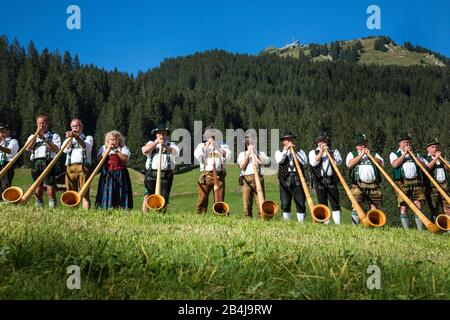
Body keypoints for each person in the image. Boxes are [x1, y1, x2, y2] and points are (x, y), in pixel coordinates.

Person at [389, 132, 425, 230]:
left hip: (416, 181)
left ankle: (420, 230)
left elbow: (423, 166)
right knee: (404, 205)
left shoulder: (415, 153)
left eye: (408, 142)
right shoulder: (394, 154)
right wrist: (405, 153)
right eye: (405, 142)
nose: (407, 144)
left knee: (418, 204)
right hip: (401, 182)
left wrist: (413, 155)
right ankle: (406, 230)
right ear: (400, 144)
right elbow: (395, 164)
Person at [346, 134, 384, 225]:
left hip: (373, 183)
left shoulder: (374, 154)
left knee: (374, 204)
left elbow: (381, 164)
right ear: (357, 146)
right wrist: (361, 155)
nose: (364, 146)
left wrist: (370, 155)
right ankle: (355, 227)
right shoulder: (352, 154)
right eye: (361, 144)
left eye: (365, 144)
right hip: (358, 184)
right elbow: (350, 164)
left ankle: (374, 226)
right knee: (356, 205)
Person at [194, 125, 231, 214]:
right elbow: (198, 156)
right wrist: (207, 145)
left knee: (220, 199)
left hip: (219, 176)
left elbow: (227, 156)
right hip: (205, 176)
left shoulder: (223, 145)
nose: (211, 136)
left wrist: (216, 146)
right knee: (202, 199)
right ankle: (200, 218)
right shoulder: (201, 145)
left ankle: (220, 217)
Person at [25, 115, 61, 208]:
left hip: (49, 161)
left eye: (43, 123)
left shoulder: (54, 136)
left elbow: (56, 149)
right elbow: (28, 148)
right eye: (39, 123)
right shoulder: (32, 136)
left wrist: (44, 139)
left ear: (47, 124)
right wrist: (35, 137)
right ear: (37, 124)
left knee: (50, 185)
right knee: (37, 186)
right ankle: (39, 208)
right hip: (35, 162)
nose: (41, 125)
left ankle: (52, 208)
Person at [142, 125, 179, 213]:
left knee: (164, 196)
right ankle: (144, 215)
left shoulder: (171, 144)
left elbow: (176, 152)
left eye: (163, 134)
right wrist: (156, 143)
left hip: (166, 174)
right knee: (147, 195)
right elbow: (145, 151)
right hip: (151, 173)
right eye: (159, 134)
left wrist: (165, 145)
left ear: (166, 135)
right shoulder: (150, 143)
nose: (161, 135)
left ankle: (161, 215)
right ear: (156, 135)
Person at [308, 131, 342, 225]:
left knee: (335, 202)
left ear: (327, 140)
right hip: (319, 180)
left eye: (323, 140)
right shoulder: (312, 152)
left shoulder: (334, 151)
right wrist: (322, 151)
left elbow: (338, 163)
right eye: (320, 141)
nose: (322, 142)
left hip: (331, 179)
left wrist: (329, 153)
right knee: (322, 202)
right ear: (317, 142)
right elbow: (314, 163)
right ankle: (326, 222)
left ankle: (337, 223)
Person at [275, 130, 308, 222]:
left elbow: (305, 162)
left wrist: (296, 151)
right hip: (284, 179)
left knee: (301, 202)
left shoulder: (300, 152)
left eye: (291, 139)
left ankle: (301, 223)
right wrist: (286, 150)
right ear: (283, 142)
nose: (290, 141)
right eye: (287, 140)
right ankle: (287, 223)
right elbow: (279, 160)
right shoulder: (279, 152)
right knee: (285, 203)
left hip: (298, 179)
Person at [95, 130, 133, 210]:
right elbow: (100, 159)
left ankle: (122, 208)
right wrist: (108, 150)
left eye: (115, 139)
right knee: (106, 190)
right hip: (107, 173)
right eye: (111, 139)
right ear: (107, 141)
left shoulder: (123, 148)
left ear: (119, 140)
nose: (113, 141)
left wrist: (115, 150)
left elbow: (125, 159)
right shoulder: (103, 148)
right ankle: (105, 208)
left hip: (120, 173)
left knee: (120, 191)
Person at [63, 119, 93, 209]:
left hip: (83, 167)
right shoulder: (68, 139)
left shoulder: (88, 138)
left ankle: (85, 213)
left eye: (77, 126)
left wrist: (76, 137)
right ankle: (72, 212)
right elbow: (65, 150)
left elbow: (85, 146)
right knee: (70, 193)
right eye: (73, 126)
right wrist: (70, 138)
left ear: (82, 127)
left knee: (84, 193)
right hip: (70, 167)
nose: (75, 128)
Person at [237, 135, 270, 218]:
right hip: (247, 178)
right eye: (248, 143)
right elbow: (241, 166)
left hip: (259, 177)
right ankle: (247, 218)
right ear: (246, 144)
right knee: (247, 200)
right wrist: (248, 154)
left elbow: (264, 162)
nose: (250, 145)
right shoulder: (242, 154)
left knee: (260, 200)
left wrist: (255, 154)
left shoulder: (261, 153)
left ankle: (262, 217)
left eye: (252, 142)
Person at [421, 139, 450, 221]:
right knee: (434, 208)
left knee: (448, 208)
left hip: (444, 185)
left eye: (436, 147)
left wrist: (443, 160)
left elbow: (448, 169)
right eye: (433, 147)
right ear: (428, 149)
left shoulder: (442, 158)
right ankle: (436, 227)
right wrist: (436, 158)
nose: (435, 149)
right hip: (432, 187)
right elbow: (427, 168)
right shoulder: (424, 158)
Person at [0, 123, 19, 197]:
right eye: (0, 132)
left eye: (3, 131)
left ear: (8, 131)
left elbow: (9, 151)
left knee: (5, 185)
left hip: (7, 164)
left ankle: (6, 200)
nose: (1, 133)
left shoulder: (13, 141)